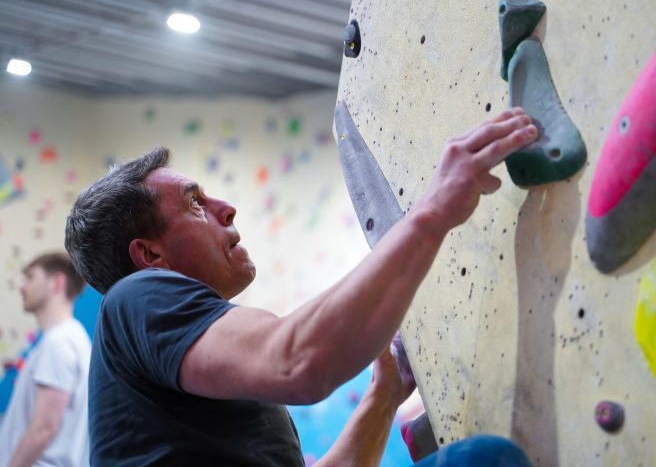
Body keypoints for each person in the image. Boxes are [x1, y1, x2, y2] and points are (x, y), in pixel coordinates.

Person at [64, 107, 538, 466]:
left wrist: (385, 394)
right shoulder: (135, 297)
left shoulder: (204, 380)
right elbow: (296, 359)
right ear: (150, 257)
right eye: (194, 203)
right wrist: (433, 209)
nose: (225, 208)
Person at [0, 252, 91, 467]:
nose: (22, 287)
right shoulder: (64, 339)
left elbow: (44, 429)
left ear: (56, 282)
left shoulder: (60, 342)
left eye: (30, 277)